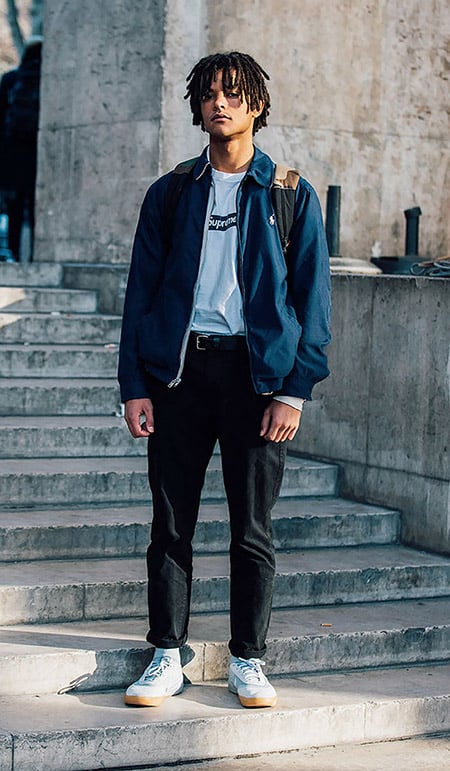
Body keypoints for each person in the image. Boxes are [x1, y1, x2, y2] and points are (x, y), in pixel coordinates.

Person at [118, 51, 331, 709]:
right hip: (180, 373)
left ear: (257, 105)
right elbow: (141, 295)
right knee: (170, 524)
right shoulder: (172, 192)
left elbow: (313, 301)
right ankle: (164, 654)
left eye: (234, 93)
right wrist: (136, 385)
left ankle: (248, 658)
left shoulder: (290, 194)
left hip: (257, 379)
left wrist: (294, 388)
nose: (221, 103)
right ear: (197, 106)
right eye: (210, 93)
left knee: (252, 529)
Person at [0, 36, 42, 262]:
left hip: (12, 157)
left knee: (14, 207)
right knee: (36, 207)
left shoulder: (11, 79)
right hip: (38, 156)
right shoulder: (51, 82)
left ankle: (14, 254)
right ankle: (36, 256)